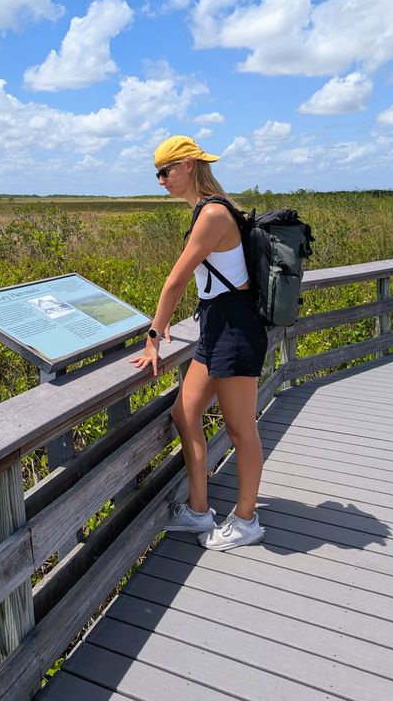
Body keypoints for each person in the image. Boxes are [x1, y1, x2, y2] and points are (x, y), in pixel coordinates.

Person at [131, 135, 267, 550]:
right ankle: (199, 510)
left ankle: (247, 520)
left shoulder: (211, 213)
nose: (161, 180)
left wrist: (154, 335)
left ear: (189, 165)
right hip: (215, 323)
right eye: (157, 172)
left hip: (235, 328)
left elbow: (174, 281)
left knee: (240, 429)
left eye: (165, 171)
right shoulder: (207, 209)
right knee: (184, 413)